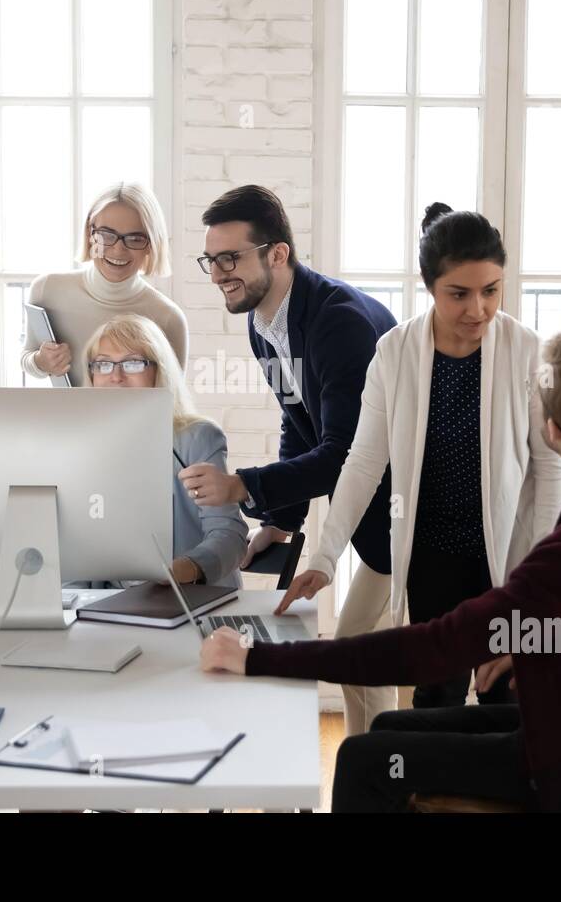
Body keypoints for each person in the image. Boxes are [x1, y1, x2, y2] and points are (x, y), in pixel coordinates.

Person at [200, 328, 561, 812]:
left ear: (552, 430)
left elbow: (418, 651)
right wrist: (537, 640)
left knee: (361, 759)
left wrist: (258, 657)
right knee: (386, 734)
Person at [275, 204, 561, 709]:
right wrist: (325, 556)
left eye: (491, 291)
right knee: (436, 696)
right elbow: (364, 461)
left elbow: (551, 469)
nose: (477, 309)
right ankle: (427, 789)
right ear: (429, 285)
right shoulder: (393, 353)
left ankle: (503, 789)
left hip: (508, 555)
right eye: (459, 293)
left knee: (507, 694)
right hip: (431, 555)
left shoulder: (527, 351)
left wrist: (539, 574)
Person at [176, 184, 398, 736]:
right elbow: (299, 422)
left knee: (380, 655)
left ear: (277, 254)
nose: (218, 273)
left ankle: (387, 778)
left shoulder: (337, 323)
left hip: (414, 509)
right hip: (372, 506)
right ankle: (374, 775)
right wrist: (282, 521)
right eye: (211, 259)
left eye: (231, 258)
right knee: (359, 652)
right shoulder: (262, 323)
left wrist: (241, 487)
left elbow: (344, 455)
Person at [83, 314, 247, 589]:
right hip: (106, 610)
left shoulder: (196, 439)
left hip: (189, 599)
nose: (116, 376)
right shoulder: (85, 446)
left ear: (159, 371)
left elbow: (228, 534)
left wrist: (187, 568)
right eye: (103, 364)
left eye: (133, 363)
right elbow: (79, 544)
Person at [22, 182, 188, 386]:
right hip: (63, 416)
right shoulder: (47, 289)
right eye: (106, 235)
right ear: (89, 234)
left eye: (135, 239)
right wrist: (41, 362)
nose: (118, 250)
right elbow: (27, 358)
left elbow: (171, 402)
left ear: (151, 245)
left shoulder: (168, 317)